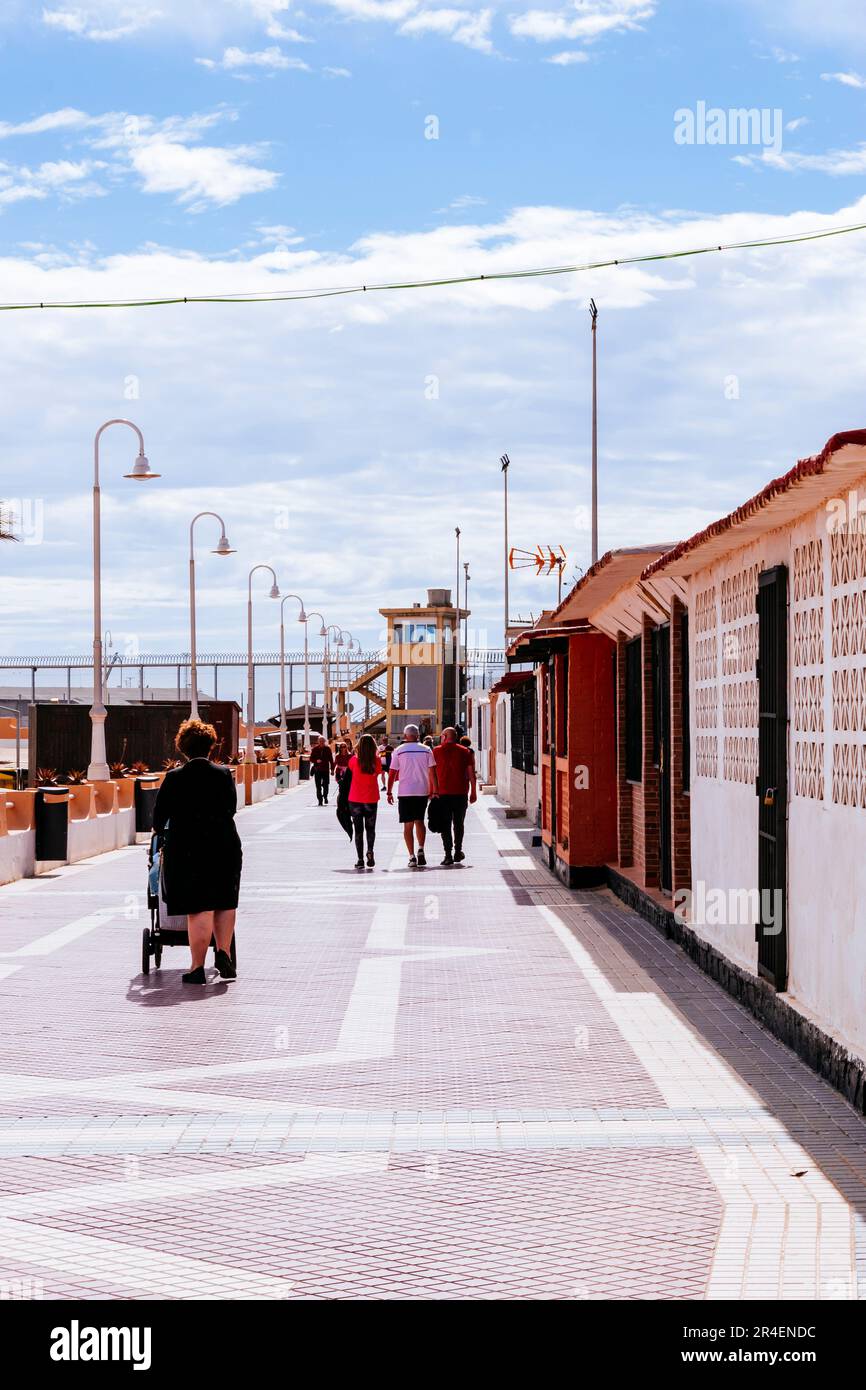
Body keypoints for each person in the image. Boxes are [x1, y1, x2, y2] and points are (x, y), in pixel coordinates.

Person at [152, 718, 241, 985]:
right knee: (225, 900)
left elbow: (158, 819)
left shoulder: (174, 778)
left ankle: (196, 967)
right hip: (224, 844)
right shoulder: (224, 774)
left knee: (199, 906)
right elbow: (231, 809)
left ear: (183, 748)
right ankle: (223, 952)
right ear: (211, 746)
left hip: (188, 848)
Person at [387, 724, 437, 868]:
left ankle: (412, 856)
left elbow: (392, 773)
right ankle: (421, 849)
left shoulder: (399, 751)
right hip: (422, 791)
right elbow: (432, 772)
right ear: (417, 735)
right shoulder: (427, 750)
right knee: (419, 821)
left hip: (405, 792)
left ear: (405, 736)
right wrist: (435, 791)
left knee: (407, 825)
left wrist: (389, 792)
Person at [432, 726, 477, 866]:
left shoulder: (436, 751)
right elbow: (471, 773)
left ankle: (447, 855)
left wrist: (433, 791)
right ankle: (458, 851)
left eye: (442, 736)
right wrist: (473, 791)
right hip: (461, 793)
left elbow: (431, 773)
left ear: (445, 736)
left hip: (443, 794)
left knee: (445, 824)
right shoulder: (465, 751)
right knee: (459, 823)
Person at [347, 733, 381, 869]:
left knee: (358, 830)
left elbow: (350, 773)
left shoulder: (353, 761)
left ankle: (360, 859)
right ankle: (370, 851)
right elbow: (377, 773)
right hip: (371, 798)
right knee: (371, 828)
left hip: (355, 798)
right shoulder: (376, 761)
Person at [309, 735, 334, 804]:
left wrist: (332, 769)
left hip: (325, 770)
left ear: (325, 742)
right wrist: (316, 761)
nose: (321, 742)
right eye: (320, 741)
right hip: (317, 770)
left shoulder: (328, 749)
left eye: (323, 741)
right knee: (318, 786)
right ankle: (320, 800)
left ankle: (325, 796)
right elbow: (311, 759)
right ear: (318, 742)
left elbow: (331, 760)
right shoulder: (315, 749)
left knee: (326, 784)